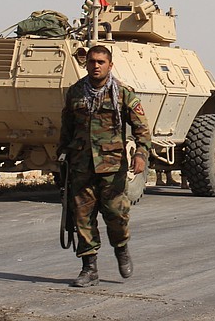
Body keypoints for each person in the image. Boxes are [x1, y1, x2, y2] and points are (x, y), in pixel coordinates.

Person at [57, 45, 152, 287]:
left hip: (111, 166)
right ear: (86, 64)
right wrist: (61, 157)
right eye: (91, 62)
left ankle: (121, 249)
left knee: (116, 215)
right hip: (81, 166)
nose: (95, 66)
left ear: (110, 65)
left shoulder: (123, 94)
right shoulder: (76, 93)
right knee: (82, 217)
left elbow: (141, 127)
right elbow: (66, 128)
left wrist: (141, 154)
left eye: (101, 62)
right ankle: (89, 269)